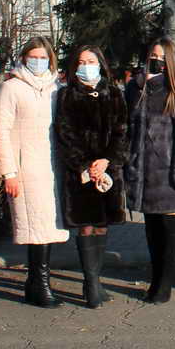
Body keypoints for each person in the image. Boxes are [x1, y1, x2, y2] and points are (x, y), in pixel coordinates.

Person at [0, 36, 69, 308]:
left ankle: (36, 282)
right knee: (34, 226)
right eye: (32, 57)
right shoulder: (11, 88)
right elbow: (0, 132)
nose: (38, 62)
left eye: (43, 57)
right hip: (25, 168)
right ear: (24, 58)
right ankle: (40, 283)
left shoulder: (57, 87)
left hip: (53, 168)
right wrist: (8, 172)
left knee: (48, 226)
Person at [55, 45, 128, 308]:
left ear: (101, 64)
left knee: (102, 224)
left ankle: (96, 280)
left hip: (109, 171)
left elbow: (122, 131)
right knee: (86, 225)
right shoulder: (67, 95)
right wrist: (86, 165)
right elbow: (65, 135)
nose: (87, 66)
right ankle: (90, 282)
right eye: (82, 61)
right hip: (81, 174)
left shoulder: (114, 93)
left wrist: (107, 160)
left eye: (92, 61)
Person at [124, 37, 175, 304]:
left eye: (163, 58)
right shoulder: (134, 87)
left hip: (166, 173)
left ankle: (163, 284)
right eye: (154, 56)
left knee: (167, 229)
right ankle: (155, 277)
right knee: (151, 229)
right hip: (141, 172)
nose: (158, 61)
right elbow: (127, 128)